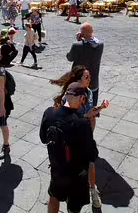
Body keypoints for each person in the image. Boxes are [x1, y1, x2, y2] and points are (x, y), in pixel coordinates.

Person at [50, 67, 107, 207]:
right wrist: (86, 117)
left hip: (84, 132)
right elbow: (68, 117)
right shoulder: (68, 95)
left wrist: (100, 108)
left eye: (89, 76)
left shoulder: (88, 92)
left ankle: (93, 191)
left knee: (91, 163)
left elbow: (89, 111)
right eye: (86, 77)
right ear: (79, 79)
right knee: (75, 166)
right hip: (71, 135)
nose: (89, 79)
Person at [41, 81, 99, 213]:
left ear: (65, 95)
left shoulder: (49, 113)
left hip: (57, 170)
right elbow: (92, 154)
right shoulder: (82, 124)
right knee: (73, 208)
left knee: (54, 198)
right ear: (81, 98)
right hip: (76, 177)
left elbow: (43, 138)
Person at [66, 23, 104, 114]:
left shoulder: (77, 45)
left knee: (77, 108)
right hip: (93, 81)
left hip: (79, 82)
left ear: (81, 34)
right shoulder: (101, 45)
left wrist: (78, 40)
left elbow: (70, 58)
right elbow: (91, 46)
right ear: (92, 32)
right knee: (92, 108)